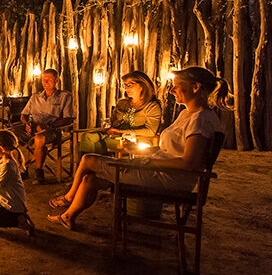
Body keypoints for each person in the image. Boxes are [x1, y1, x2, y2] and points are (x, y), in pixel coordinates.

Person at [46, 66, 232, 231]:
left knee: (89, 160)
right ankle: (68, 216)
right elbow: (172, 150)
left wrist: (150, 161)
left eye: (176, 85)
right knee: (89, 179)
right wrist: (138, 151)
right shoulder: (187, 114)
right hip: (160, 172)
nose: (172, 90)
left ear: (196, 87)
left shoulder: (200, 119)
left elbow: (189, 163)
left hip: (167, 179)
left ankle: (68, 198)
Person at [14, 69, 75, 184]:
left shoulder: (64, 96)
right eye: (43, 79)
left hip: (52, 130)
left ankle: (38, 171)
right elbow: (24, 114)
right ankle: (21, 167)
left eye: (49, 79)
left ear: (57, 80)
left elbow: (69, 118)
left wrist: (48, 125)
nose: (46, 82)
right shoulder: (35, 97)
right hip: (32, 127)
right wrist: (26, 123)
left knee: (39, 139)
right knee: (7, 135)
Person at [78, 71, 162, 155]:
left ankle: (92, 165)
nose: (126, 88)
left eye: (130, 85)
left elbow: (150, 131)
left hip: (132, 140)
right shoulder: (122, 103)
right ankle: (90, 165)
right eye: (125, 85)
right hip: (112, 135)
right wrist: (107, 127)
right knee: (87, 137)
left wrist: (120, 131)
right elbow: (113, 121)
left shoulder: (151, 106)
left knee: (92, 146)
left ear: (142, 86)